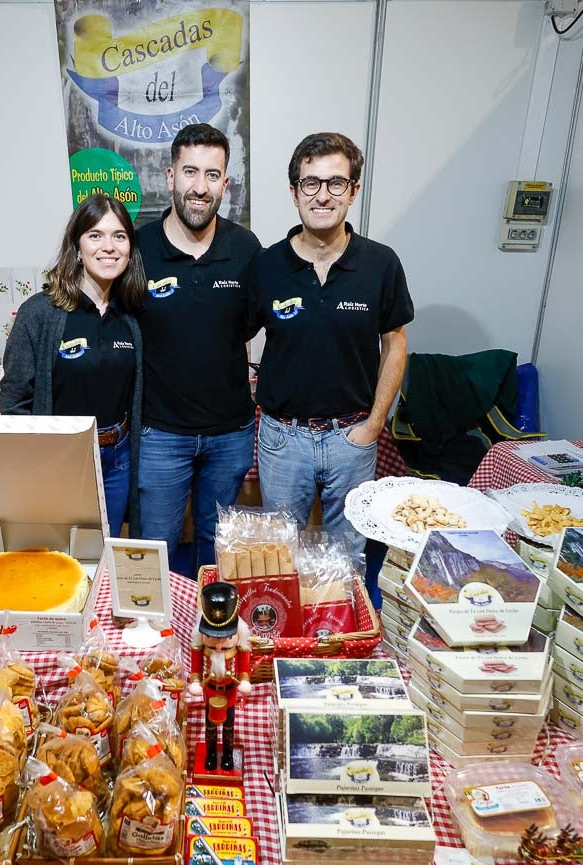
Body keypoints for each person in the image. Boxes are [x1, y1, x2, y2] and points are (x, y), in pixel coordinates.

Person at [246, 132, 414, 562]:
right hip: (283, 439)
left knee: (346, 560)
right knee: (281, 560)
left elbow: (395, 344)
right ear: (294, 191)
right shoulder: (266, 265)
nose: (323, 195)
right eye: (311, 183)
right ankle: (288, 633)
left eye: (336, 183)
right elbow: (235, 338)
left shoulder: (381, 263)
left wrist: (376, 423)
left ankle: (341, 631)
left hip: (352, 438)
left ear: (353, 190)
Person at [135, 124, 263, 573]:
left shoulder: (246, 248)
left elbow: (249, 324)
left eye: (213, 175)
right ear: (170, 176)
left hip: (230, 432)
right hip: (159, 433)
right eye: (190, 171)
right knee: (157, 546)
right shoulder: (137, 248)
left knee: (218, 545)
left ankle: (212, 633)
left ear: (225, 184)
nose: (200, 186)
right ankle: (155, 639)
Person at [0, 193, 145, 536]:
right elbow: (14, 400)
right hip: (63, 460)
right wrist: (43, 457)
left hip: (118, 458)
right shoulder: (40, 313)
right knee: (64, 554)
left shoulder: (132, 317)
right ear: (77, 248)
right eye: (95, 235)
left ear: (129, 249)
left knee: (106, 548)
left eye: (119, 236)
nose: (108, 246)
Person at [187, 581, 252, 772]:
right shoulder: (199, 648)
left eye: (225, 640)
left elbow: (244, 670)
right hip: (210, 692)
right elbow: (196, 670)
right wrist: (197, 682)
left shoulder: (240, 649)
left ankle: (228, 754)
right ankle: (211, 754)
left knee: (229, 726)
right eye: (213, 638)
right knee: (210, 727)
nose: (217, 646)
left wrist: (245, 682)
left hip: (230, 694)